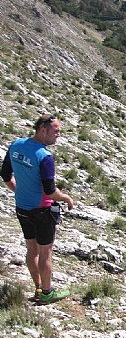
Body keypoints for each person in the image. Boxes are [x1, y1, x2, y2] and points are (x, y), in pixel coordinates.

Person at [1, 113, 74, 304]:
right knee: (45, 252)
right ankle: (47, 294)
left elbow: (5, 174)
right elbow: (50, 191)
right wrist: (66, 198)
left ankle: (38, 288)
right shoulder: (44, 156)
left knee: (31, 249)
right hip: (42, 210)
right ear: (43, 130)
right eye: (55, 131)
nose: (58, 135)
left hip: (22, 208)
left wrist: (20, 191)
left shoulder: (17, 144)